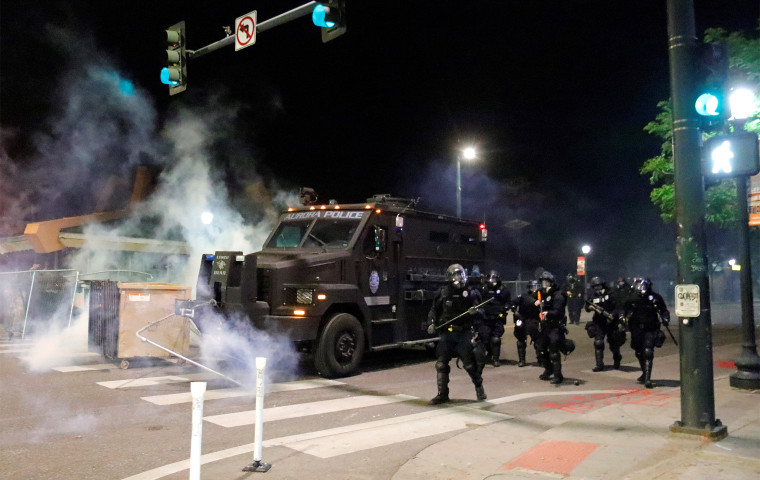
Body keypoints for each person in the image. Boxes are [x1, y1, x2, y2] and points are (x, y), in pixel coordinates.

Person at [426, 264, 487, 404]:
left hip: (463, 333)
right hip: (447, 333)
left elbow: (482, 312)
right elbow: (433, 310)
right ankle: (442, 394)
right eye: (455, 276)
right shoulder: (443, 293)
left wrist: (476, 311)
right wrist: (431, 323)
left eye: (460, 275)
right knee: (441, 364)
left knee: (469, 365)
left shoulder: (471, 293)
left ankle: (479, 388)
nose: (458, 279)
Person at [625, 277, 670, 388]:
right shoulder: (632, 297)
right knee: (638, 351)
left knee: (648, 351)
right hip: (636, 328)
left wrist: (665, 319)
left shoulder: (655, 297)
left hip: (650, 328)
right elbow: (624, 308)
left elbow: (664, 310)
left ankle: (648, 379)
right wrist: (623, 317)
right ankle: (644, 372)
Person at [584, 277, 626, 371]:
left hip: (611, 321)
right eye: (595, 286)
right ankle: (599, 364)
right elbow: (587, 305)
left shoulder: (611, 293)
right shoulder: (593, 295)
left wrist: (613, 315)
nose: (597, 288)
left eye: (599, 286)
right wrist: (590, 307)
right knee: (598, 343)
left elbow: (618, 306)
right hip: (599, 322)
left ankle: (617, 358)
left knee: (613, 343)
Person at [534, 271, 568, 384]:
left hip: (555, 326)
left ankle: (558, 375)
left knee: (554, 351)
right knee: (540, 349)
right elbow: (527, 297)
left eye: (546, 282)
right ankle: (548, 370)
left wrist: (548, 313)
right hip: (545, 326)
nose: (544, 285)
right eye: (543, 282)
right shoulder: (541, 293)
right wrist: (534, 302)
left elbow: (559, 312)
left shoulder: (558, 295)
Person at [473, 270, 510, 371]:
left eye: (493, 280)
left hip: (497, 318)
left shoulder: (503, 290)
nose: (491, 282)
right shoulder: (483, 289)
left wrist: (505, 308)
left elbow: (508, 302)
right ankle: (487, 355)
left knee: (495, 339)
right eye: (490, 280)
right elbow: (477, 300)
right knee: (484, 337)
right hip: (485, 318)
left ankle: (496, 359)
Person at [511, 280, 541, 367]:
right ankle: (522, 360)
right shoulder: (524, 296)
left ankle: (541, 359)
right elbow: (513, 302)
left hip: (534, 320)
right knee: (520, 341)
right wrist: (515, 311)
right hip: (523, 318)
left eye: (536, 287)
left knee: (538, 341)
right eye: (533, 287)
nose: (535, 289)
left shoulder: (540, 297)